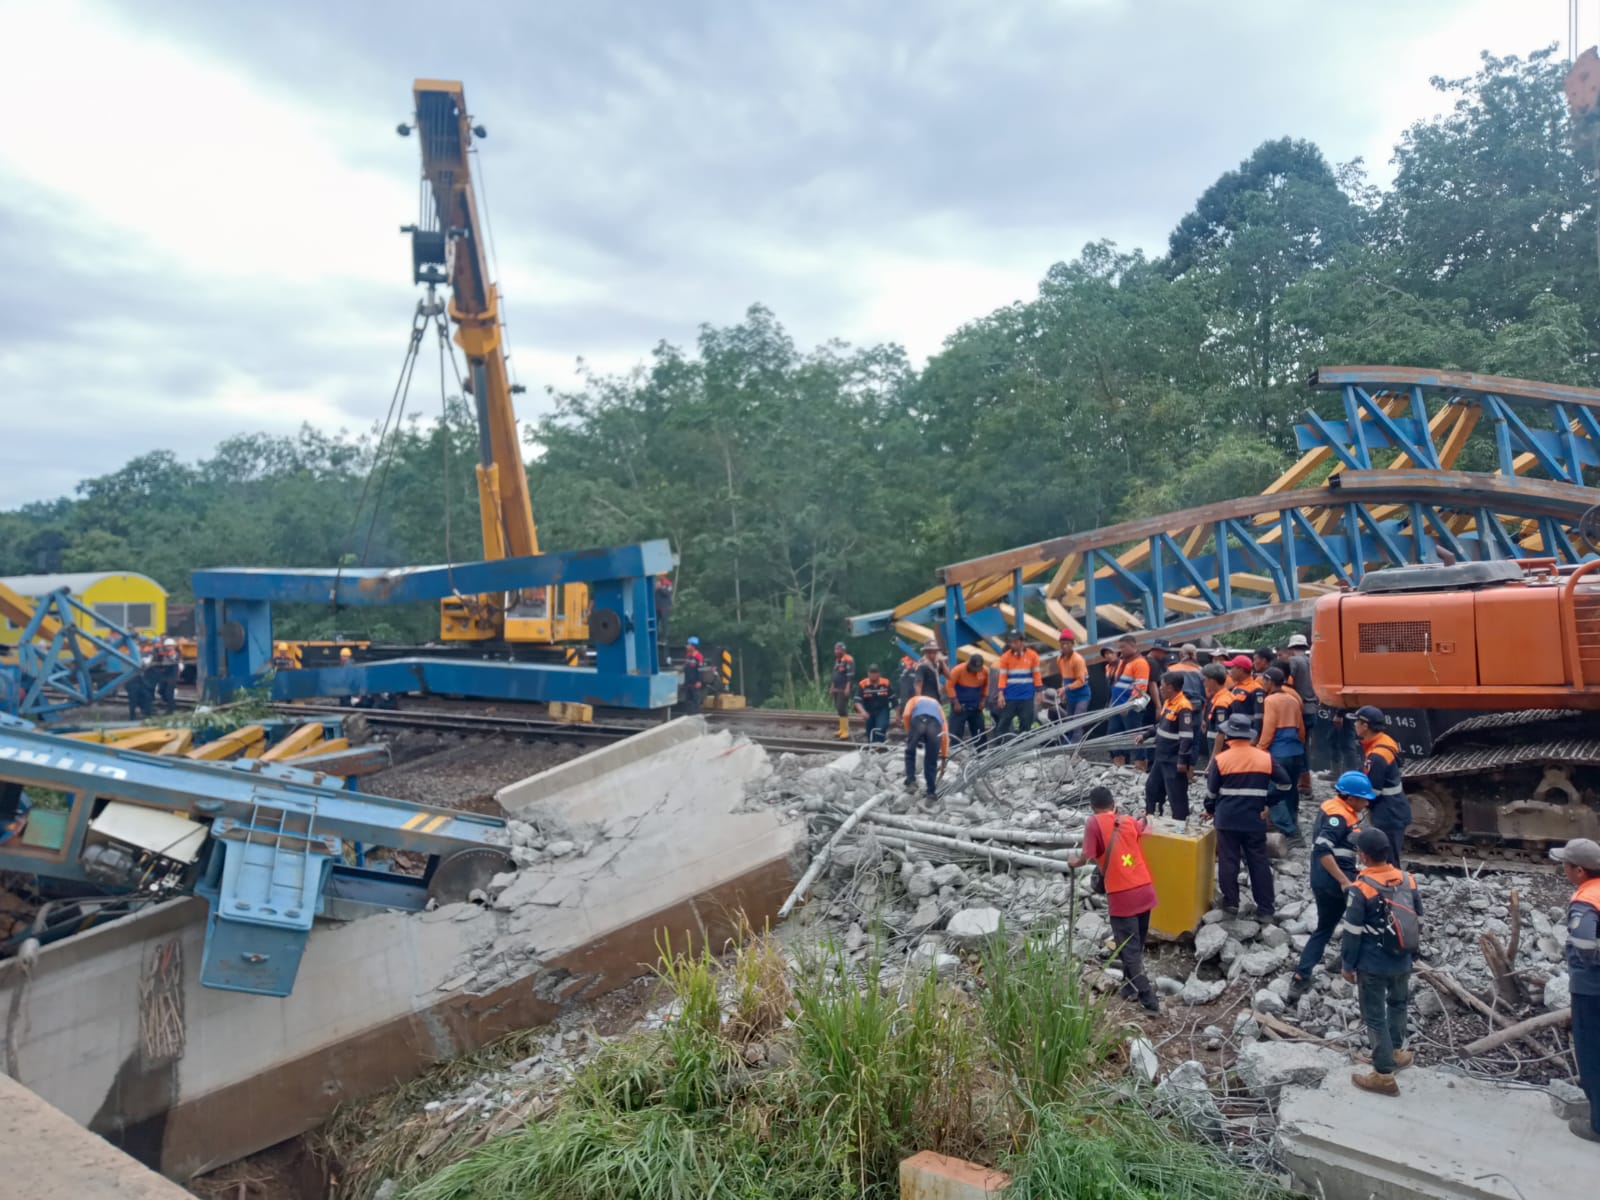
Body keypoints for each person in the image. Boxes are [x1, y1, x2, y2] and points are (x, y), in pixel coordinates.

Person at [1343, 828, 1423, 1096]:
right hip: (1403, 958)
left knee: (1374, 1016)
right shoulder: (1407, 879)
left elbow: (1352, 933)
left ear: (1364, 856)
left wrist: (1347, 965)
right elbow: (1418, 914)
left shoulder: (1361, 887)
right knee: (1398, 1003)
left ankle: (1383, 1075)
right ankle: (1398, 1052)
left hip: (1372, 963)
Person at [1069, 786, 1161, 1014]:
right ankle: (1129, 988)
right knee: (1135, 945)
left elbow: (1087, 855)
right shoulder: (1127, 820)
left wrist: (1073, 861)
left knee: (1128, 949)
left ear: (1092, 807)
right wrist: (1144, 817)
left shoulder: (1093, 823)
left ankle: (1149, 1000)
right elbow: (1143, 828)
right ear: (1113, 803)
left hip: (1122, 895)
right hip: (1145, 889)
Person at [1288, 771, 1374, 1003]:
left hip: (1320, 880)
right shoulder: (1338, 816)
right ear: (1349, 797)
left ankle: (1301, 976)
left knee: (1325, 927)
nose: (1366, 802)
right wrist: (1345, 881)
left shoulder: (1332, 806)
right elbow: (1322, 849)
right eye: (1363, 798)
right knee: (1364, 921)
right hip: (1336, 881)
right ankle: (1349, 963)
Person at [1203, 713, 1283, 918]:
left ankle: (1231, 903)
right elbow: (1286, 783)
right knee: (1258, 861)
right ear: (1249, 735)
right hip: (1254, 819)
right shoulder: (1265, 758)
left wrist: (1210, 809)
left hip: (1227, 819)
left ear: (1229, 735)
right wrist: (1268, 802)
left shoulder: (1221, 760)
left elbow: (1211, 793)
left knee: (1228, 860)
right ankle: (1266, 909)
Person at [1552, 838, 1600, 1142]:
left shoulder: (1585, 900)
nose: (1563, 869)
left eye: (1565, 865)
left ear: (1579, 870)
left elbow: (1584, 943)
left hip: (1591, 990)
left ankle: (1598, 1125)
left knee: (1592, 1053)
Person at [1354, 706, 1409, 866]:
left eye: (1357, 722)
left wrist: (1354, 805)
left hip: (1388, 813)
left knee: (1388, 861)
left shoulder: (1377, 756)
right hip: (1394, 809)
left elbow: (1372, 791)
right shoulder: (1384, 741)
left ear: (1365, 726)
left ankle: (1392, 888)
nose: (1354, 725)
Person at [1258, 667, 1307, 840]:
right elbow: (1301, 730)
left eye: (1264, 680)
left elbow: (1269, 728)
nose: (1263, 683)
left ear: (1270, 682)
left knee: (1275, 790)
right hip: (1296, 751)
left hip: (1279, 753)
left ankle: (1289, 831)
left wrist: (1260, 750)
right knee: (1291, 789)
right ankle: (1293, 822)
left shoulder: (1270, 701)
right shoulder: (1293, 699)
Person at [1138, 671, 1194, 820]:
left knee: (1176, 794)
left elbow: (1186, 736)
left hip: (1173, 759)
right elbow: (1161, 725)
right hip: (1161, 756)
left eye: (1162, 687)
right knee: (1152, 788)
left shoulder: (1183, 707)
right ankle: (1152, 816)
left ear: (1170, 687)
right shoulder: (1169, 702)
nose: (1160, 689)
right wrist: (1145, 735)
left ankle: (1180, 823)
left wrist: (1182, 760)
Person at [1279, 635, 1317, 797]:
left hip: (1300, 708)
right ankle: (1305, 781)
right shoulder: (1312, 661)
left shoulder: (1294, 662)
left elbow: (1286, 679)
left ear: (1291, 648)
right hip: (1313, 708)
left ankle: (1303, 783)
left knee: (1298, 746)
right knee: (1305, 745)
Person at [1108, 635, 1151, 766]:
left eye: (1123, 647)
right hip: (1116, 706)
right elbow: (1116, 685)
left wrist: (1128, 705)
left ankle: (1140, 763)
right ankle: (1119, 762)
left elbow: (1140, 688)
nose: (1120, 651)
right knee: (1114, 733)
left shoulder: (1140, 663)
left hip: (1130, 708)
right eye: (1119, 648)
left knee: (1135, 735)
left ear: (1132, 646)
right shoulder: (1122, 662)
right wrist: (1112, 702)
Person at [992, 631, 1042, 741]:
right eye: (1011, 642)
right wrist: (1001, 694)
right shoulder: (1005, 657)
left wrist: (1039, 691)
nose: (1013, 645)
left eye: (1015, 642)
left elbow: (1036, 675)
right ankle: (999, 749)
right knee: (1003, 724)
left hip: (1026, 697)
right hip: (1010, 697)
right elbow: (1002, 677)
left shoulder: (1032, 656)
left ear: (1022, 641)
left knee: (1026, 724)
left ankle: (1023, 750)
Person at [902, 682, 948, 798]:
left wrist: (910, 734)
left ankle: (911, 780)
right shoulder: (938, 706)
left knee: (910, 752)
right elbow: (945, 733)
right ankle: (931, 791)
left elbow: (906, 715)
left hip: (918, 721)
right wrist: (943, 757)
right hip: (935, 725)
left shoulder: (913, 700)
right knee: (931, 760)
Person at [945, 653, 990, 747]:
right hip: (960, 706)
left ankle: (982, 753)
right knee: (955, 732)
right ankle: (955, 752)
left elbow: (986, 685)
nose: (975, 672)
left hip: (976, 706)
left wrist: (983, 700)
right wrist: (955, 702)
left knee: (979, 732)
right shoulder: (958, 670)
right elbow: (949, 686)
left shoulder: (985, 671)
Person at [1056, 629, 1091, 737]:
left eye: (1067, 643)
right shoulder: (1059, 659)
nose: (1064, 646)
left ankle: (1075, 748)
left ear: (1072, 644)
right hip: (1070, 696)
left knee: (1077, 723)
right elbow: (1064, 677)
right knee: (1069, 723)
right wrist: (1063, 692)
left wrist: (1065, 689)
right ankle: (1068, 746)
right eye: (1062, 644)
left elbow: (1081, 681)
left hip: (1082, 696)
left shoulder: (1078, 660)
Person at [1226, 654, 1266, 740]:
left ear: (1240, 670)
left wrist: (1254, 739)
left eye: (1232, 668)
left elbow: (1259, 717)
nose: (1230, 671)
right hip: (1234, 734)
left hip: (1246, 736)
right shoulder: (1235, 687)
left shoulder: (1256, 689)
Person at [854, 664, 894, 744]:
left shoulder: (886, 683)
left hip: (882, 710)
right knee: (870, 732)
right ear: (868, 674)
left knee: (880, 728)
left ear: (879, 674)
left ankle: (879, 747)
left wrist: (898, 715)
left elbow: (894, 699)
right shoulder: (863, 684)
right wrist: (863, 712)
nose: (873, 675)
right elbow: (857, 701)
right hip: (868, 711)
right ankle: (872, 749)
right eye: (871, 673)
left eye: (875, 672)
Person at [1201, 662, 1232, 757]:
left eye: (1205, 680)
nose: (1203, 683)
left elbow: (1221, 732)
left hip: (1221, 750)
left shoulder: (1222, 702)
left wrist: (1214, 758)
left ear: (1212, 681)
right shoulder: (1218, 697)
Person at [830, 642, 856, 740]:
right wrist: (832, 687)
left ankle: (845, 731)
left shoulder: (848, 659)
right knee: (838, 707)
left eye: (838, 649)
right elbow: (835, 674)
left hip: (843, 688)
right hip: (836, 687)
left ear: (843, 650)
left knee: (842, 708)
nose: (836, 651)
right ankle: (841, 729)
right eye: (835, 649)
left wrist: (848, 687)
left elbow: (850, 675)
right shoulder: (837, 660)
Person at [153, 636, 181, 714]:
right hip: (164, 675)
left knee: (169, 693)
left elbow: (173, 658)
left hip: (172, 675)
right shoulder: (162, 653)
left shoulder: (174, 653)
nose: (169, 648)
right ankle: (168, 702)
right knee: (160, 690)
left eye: (170, 646)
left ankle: (170, 709)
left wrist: (167, 655)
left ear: (173, 646)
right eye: (167, 646)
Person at [682, 637, 705, 714]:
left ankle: (696, 713)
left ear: (693, 646)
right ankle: (688, 713)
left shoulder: (698, 656)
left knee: (695, 699)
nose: (687, 646)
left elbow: (700, 670)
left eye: (688, 644)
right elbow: (686, 667)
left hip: (695, 682)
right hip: (688, 681)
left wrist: (699, 681)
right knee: (688, 699)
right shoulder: (688, 655)